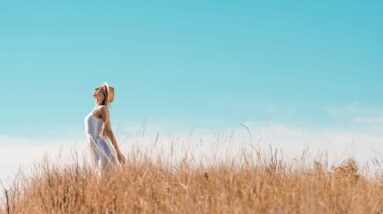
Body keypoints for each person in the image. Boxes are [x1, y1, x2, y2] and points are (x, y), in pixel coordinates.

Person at [84, 82, 126, 174]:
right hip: (94, 147)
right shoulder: (95, 109)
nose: (96, 89)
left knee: (103, 177)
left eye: (99, 89)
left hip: (102, 147)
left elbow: (109, 130)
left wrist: (118, 152)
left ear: (104, 95)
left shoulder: (103, 109)